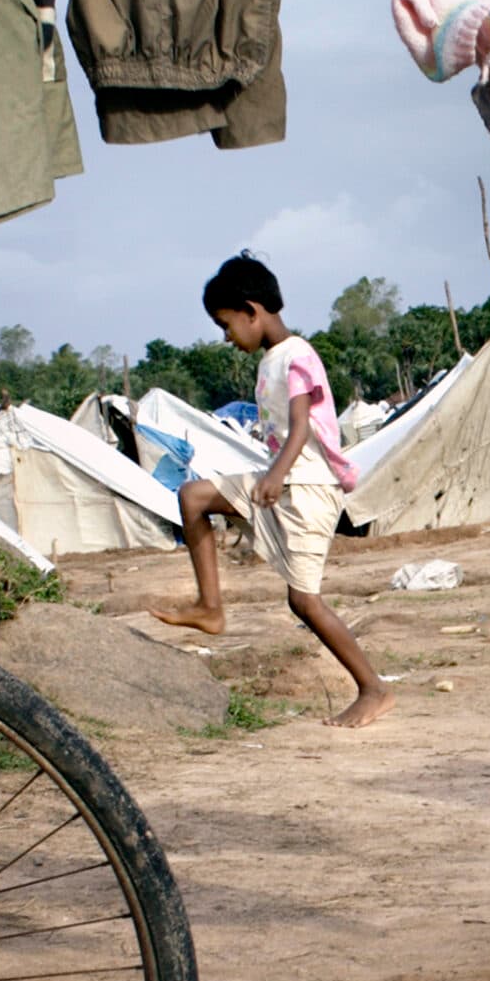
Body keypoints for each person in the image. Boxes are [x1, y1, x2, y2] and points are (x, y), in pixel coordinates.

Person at [150, 251, 394, 728]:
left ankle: (374, 689)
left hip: (308, 487)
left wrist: (277, 473)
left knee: (303, 601)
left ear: (251, 310)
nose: (225, 337)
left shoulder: (298, 355)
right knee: (193, 496)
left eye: (225, 324)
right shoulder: (272, 360)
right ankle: (210, 607)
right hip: (284, 480)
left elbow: (302, 426)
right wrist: (275, 474)